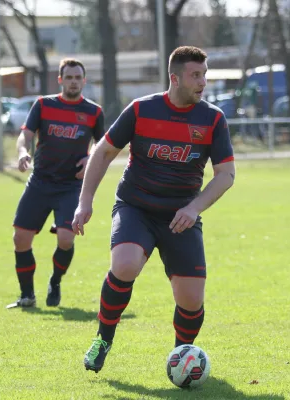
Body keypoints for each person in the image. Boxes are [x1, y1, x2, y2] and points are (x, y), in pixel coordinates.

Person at [72, 46, 235, 373]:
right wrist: (84, 201)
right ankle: (103, 339)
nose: (202, 82)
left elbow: (226, 175)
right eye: (195, 75)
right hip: (136, 207)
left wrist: (193, 208)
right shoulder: (141, 109)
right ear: (175, 78)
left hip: (181, 216)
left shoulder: (213, 118)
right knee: (126, 263)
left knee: (191, 300)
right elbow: (103, 153)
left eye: (205, 74)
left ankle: (181, 358)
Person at [7, 58, 105, 309]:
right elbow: (26, 134)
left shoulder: (94, 112)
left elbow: (104, 146)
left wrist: (90, 157)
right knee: (20, 239)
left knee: (65, 239)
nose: (73, 81)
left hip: (71, 186)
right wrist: (22, 153)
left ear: (84, 80)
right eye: (68, 77)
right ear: (60, 80)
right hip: (40, 181)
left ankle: (56, 280)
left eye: (77, 77)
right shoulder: (43, 105)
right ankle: (27, 295)